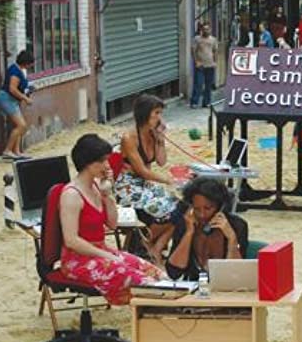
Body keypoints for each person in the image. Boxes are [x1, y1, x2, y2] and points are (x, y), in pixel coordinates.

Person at [59, 134, 162, 306]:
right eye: (102, 161)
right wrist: (106, 255)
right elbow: (71, 240)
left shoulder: (95, 187)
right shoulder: (71, 195)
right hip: (79, 260)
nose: (107, 166)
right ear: (88, 163)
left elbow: (112, 224)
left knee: (155, 273)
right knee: (143, 282)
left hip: (100, 251)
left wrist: (107, 195)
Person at [115, 94, 178, 264]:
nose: (160, 118)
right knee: (165, 209)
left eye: (160, 113)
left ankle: (154, 247)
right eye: (156, 113)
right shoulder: (129, 138)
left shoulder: (152, 133)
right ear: (145, 114)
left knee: (181, 207)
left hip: (145, 184)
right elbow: (142, 171)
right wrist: (169, 181)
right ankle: (147, 245)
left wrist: (160, 139)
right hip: (128, 186)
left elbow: (161, 161)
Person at [166, 177, 248, 281]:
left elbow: (237, 274)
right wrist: (189, 233)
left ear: (220, 207)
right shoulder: (186, 224)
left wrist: (232, 239)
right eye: (196, 209)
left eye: (208, 208)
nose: (202, 215)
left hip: (224, 287)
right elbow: (174, 272)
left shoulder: (237, 225)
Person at [0, 49, 36, 160]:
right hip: (7, 99)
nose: (30, 66)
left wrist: (28, 88)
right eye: (30, 63)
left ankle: (17, 151)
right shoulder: (15, 71)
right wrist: (25, 98)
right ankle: (7, 150)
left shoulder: (18, 69)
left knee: (18, 126)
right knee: (21, 126)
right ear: (26, 62)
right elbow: (12, 89)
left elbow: (19, 87)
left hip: (12, 100)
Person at [191, 23, 218, 109]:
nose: (206, 31)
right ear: (201, 30)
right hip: (200, 65)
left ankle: (206, 102)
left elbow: (215, 51)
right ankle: (194, 101)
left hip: (210, 65)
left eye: (208, 29)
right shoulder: (197, 39)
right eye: (204, 29)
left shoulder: (213, 40)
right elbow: (193, 51)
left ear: (210, 30)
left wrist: (215, 62)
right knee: (198, 84)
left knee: (208, 85)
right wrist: (196, 62)